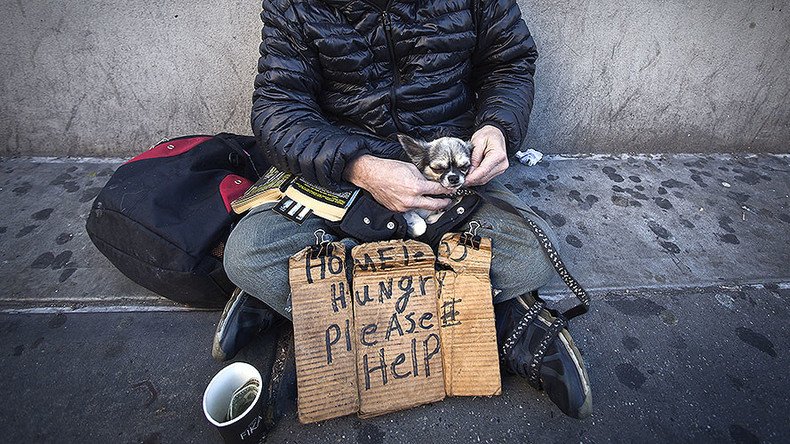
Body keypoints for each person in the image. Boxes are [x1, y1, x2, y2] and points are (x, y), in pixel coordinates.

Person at [214, 0, 592, 419]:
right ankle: (498, 319)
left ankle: (311, 299)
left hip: (446, 182)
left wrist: (497, 126)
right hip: (344, 177)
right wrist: (363, 168)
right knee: (247, 252)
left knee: (534, 255)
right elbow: (278, 111)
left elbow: (510, 62)